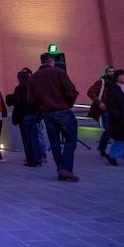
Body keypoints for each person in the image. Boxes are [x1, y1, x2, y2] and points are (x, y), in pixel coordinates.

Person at [27, 53, 79, 182]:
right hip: (62, 110)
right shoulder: (58, 72)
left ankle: (61, 169)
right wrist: (68, 104)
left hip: (47, 113)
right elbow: (71, 90)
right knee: (71, 140)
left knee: (54, 142)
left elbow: (31, 99)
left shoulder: (33, 78)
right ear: (52, 62)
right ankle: (66, 168)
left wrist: (41, 106)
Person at [8, 69, 41, 167]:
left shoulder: (19, 89)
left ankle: (30, 159)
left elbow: (17, 103)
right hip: (33, 115)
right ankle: (38, 158)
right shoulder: (33, 88)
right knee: (34, 137)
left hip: (24, 116)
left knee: (27, 139)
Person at [87, 66, 116, 157]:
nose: (112, 73)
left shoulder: (116, 82)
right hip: (106, 109)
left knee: (118, 129)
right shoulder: (101, 82)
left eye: (113, 71)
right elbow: (90, 92)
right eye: (110, 71)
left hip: (115, 109)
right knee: (107, 130)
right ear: (106, 72)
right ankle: (102, 148)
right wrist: (99, 103)